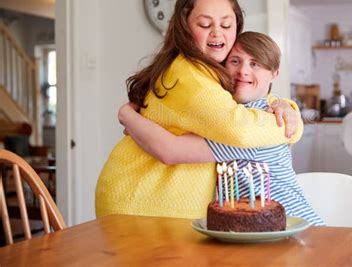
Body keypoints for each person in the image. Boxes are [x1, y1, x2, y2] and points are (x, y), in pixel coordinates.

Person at [95, 0, 303, 219]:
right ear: (184, 28)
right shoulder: (190, 75)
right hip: (143, 200)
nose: (217, 32)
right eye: (205, 24)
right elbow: (241, 130)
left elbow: (245, 106)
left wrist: (285, 106)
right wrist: (292, 125)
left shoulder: (211, 72)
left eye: (226, 24)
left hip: (162, 201)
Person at [119, 32, 324, 226]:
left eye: (255, 64)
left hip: (293, 226)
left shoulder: (251, 124)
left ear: (274, 74)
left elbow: (170, 150)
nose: (243, 71)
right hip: (258, 227)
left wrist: (127, 115)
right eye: (235, 61)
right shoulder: (233, 114)